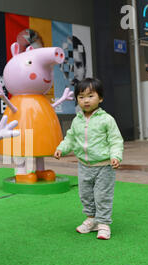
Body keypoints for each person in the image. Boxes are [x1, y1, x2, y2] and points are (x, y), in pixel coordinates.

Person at [54, 78, 124, 240]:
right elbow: (70, 138)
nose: (85, 100)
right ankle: (91, 220)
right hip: (84, 165)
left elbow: (115, 140)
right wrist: (61, 149)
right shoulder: (77, 120)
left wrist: (115, 156)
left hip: (104, 166)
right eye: (81, 97)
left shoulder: (106, 119)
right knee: (85, 194)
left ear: (100, 98)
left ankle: (104, 224)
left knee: (102, 195)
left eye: (90, 96)